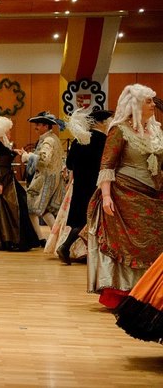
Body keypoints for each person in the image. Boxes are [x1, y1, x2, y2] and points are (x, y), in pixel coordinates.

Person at [87, 84, 163, 309]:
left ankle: (150, 291)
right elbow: (107, 164)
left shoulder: (156, 130)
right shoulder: (119, 130)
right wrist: (106, 196)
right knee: (127, 245)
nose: (153, 104)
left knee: (155, 243)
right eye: (148, 101)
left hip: (155, 196)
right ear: (135, 104)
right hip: (125, 195)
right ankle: (125, 292)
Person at [52, 108, 113, 265]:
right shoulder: (104, 140)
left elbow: (69, 164)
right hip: (97, 184)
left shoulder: (79, 139)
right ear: (101, 123)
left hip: (79, 184)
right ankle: (67, 247)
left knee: (81, 219)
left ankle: (68, 247)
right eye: (107, 121)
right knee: (91, 218)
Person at [0, 116, 39, 251]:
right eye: (8, 130)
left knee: (17, 204)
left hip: (7, 178)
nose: (10, 133)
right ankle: (10, 239)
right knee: (9, 208)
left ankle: (16, 238)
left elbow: (4, 156)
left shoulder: (2, 143)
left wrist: (14, 152)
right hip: (2, 179)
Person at [15, 111, 66, 246]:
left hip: (45, 179)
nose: (35, 127)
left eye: (38, 124)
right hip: (52, 178)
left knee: (31, 207)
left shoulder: (48, 140)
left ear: (45, 126)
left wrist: (27, 156)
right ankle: (55, 238)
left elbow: (44, 159)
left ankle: (43, 238)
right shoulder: (53, 138)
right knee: (46, 209)